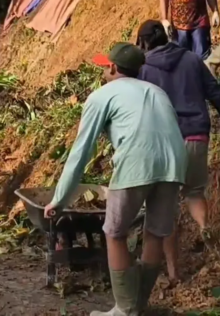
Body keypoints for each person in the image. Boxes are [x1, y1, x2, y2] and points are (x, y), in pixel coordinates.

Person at [44, 42, 187, 316]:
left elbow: (80, 152)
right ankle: (138, 306)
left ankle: (124, 309)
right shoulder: (157, 91)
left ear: (111, 67)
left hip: (137, 160)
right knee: (155, 233)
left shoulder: (103, 95)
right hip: (175, 161)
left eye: (104, 66)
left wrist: (60, 199)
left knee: (114, 232)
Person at [135, 20, 220, 283]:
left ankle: (173, 273)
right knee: (194, 192)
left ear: (144, 43)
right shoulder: (193, 59)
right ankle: (205, 227)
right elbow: (216, 94)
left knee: (165, 208)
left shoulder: (143, 68)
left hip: (164, 143)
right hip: (196, 135)